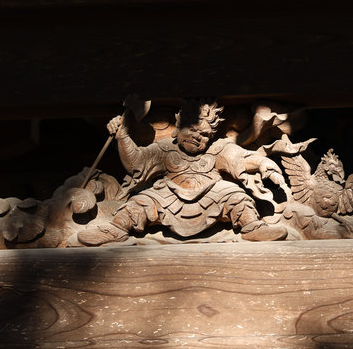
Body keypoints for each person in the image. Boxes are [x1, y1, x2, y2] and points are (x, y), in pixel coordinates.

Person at [79, 100, 288, 244]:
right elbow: (137, 164)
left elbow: (241, 157)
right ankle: (116, 229)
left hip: (212, 193)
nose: (197, 137)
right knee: (141, 201)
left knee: (235, 195)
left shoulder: (218, 149)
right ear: (178, 127)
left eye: (204, 135)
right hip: (167, 195)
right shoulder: (164, 149)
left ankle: (252, 226)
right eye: (192, 130)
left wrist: (263, 164)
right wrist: (123, 136)